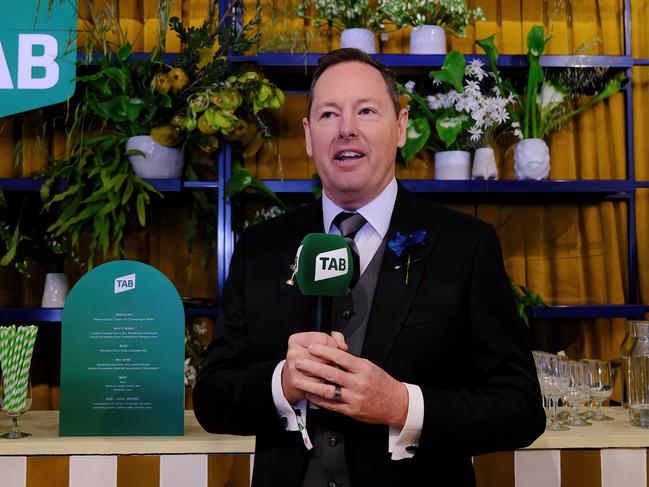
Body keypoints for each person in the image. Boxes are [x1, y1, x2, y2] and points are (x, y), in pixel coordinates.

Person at [193, 48, 545, 487]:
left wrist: (401, 404)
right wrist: (282, 383)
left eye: (366, 111)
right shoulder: (260, 248)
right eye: (328, 115)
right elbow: (211, 399)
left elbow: (520, 408)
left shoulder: (465, 245)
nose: (346, 130)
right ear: (307, 136)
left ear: (400, 127)